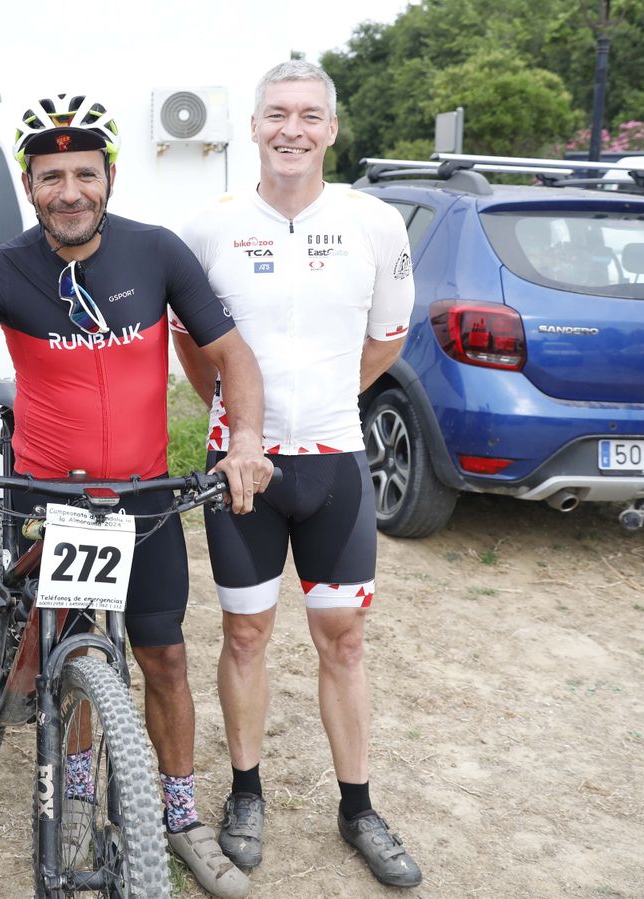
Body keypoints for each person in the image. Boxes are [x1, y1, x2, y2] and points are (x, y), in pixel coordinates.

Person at [0, 92, 271, 899]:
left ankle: (179, 812)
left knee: (164, 655)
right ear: (30, 186)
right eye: (51, 175)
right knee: (78, 649)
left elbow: (233, 357)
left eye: (84, 173)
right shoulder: (4, 266)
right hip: (53, 498)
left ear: (110, 177)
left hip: (145, 496)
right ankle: (72, 778)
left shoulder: (157, 252)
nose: (70, 191)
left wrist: (242, 443)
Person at [172, 60, 424, 889]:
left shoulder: (375, 221)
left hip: (335, 464)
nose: (292, 129)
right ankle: (246, 791)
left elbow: (387, 338)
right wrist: (238, 416)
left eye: (309, 115)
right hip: (240, 470)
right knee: (245, 633)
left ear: (332, 129)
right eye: (277, 113)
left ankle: (358, 805)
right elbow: (190, 340)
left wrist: (318, 404)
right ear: (251, 126)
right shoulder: (207, 226)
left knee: (342, 641)